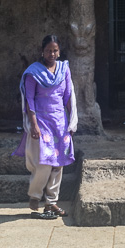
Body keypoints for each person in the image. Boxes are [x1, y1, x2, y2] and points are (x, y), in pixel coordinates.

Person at [13, 34, 77, 219]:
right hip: (41, 121)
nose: (52, 53)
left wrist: (71, 121)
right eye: (49, 50)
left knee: (58, 165)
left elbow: (68, 96)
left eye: (55, 50)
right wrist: (33, 124)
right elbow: (29, 101)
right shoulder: (33, 73)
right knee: (45, 162)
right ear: (42, 51)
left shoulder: (64, 69)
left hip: (60, 122)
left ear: (59, 51)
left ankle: (51, 203)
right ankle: (34, 195)